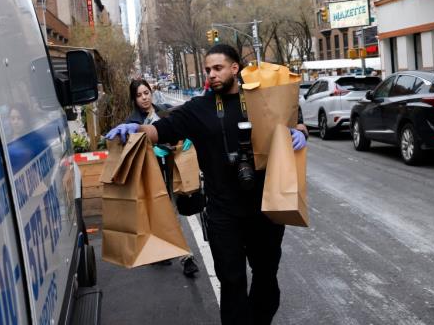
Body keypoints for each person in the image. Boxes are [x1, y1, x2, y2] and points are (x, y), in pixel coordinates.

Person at [107, 44, 308, 324]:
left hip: (265, 208)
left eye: (218, 68)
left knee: (266, 276)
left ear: (235, 68)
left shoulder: (261, 97)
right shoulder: (198, 109)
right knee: (232, 280)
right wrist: (135, 129)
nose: (211, 75)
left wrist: (300, 133)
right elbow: (161, 129)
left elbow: (295, 121)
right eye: (207, 70)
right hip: (223, 213)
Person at [125, 79, 200, 277]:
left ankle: (186, 258)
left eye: (146, 93)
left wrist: (187, 139)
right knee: (158, 212)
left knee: (171, 212)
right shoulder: (132, 123)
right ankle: (170, 252)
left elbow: (185, 126)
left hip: (172, 172)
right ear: (134, 99)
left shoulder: (164, 111)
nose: (144, 98)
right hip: (149, 174)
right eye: (139, 95)